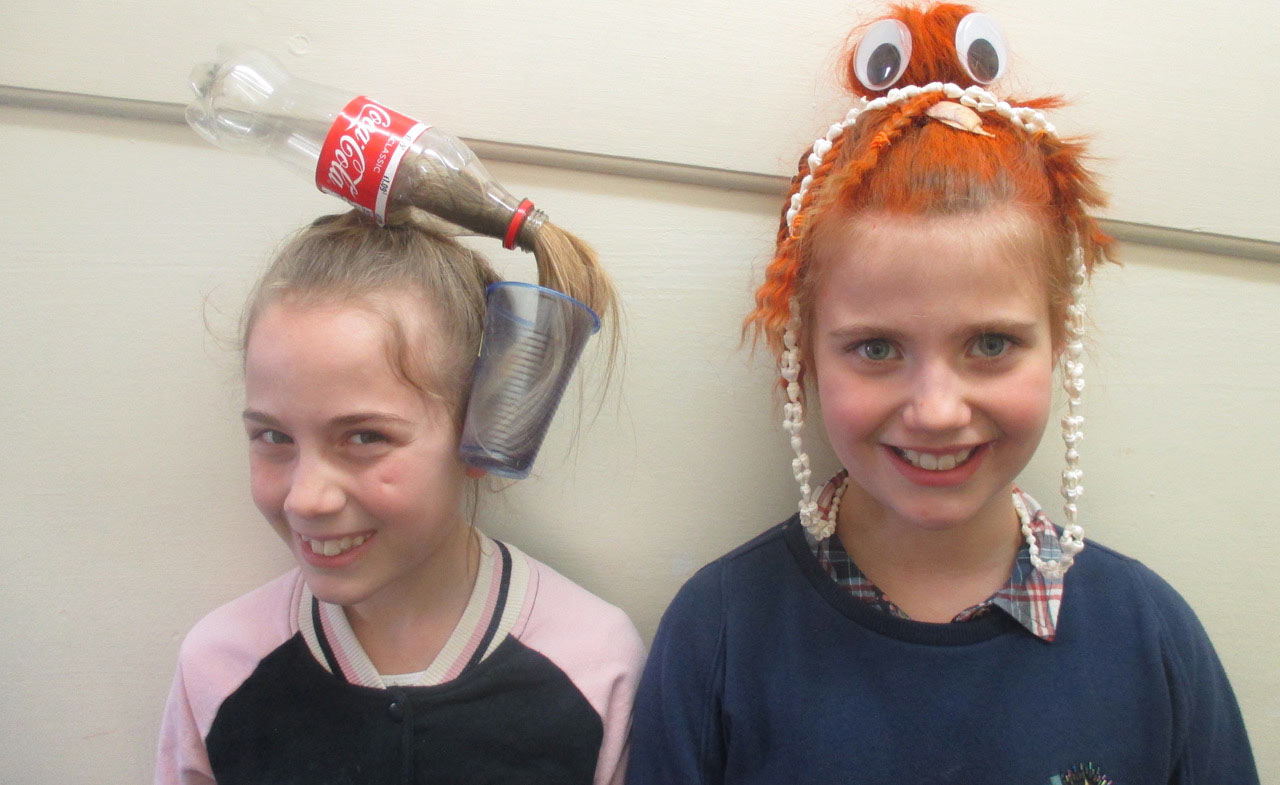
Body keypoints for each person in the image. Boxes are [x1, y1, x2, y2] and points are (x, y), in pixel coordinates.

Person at [626, 3, 1258, 783]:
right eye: (877, 348)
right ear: (806, 357)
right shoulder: (719, 634)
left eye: (990, 344)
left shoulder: (1151, 639)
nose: (935, 409)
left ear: (1058, 340)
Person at [155, 207, 644, 785]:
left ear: (482, 432)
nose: (306, 499)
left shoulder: (594, 665)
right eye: (274, 437)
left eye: (365, 436)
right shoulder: (220, 666)